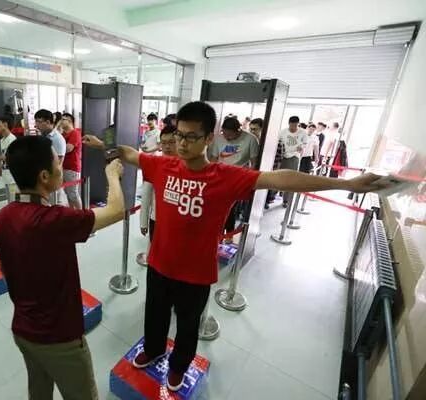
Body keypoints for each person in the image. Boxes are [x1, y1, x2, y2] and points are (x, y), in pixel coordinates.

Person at [83, 101, 386, 391]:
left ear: (209, 138)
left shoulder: (226, 176)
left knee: (188, 326)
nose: (183, 143)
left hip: (195, 274)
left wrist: (347, 184)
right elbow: (129, 153)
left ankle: (178, 365)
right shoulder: (164, 165)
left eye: (192, 137)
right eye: (179, 136)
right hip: (160, 264)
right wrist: (101, 145)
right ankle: (153, 349)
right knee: (154, 315)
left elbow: (281, 179)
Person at [0, 136, 125, 400]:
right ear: (44, 176)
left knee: (39, 391)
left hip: (24, 330)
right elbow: (116, 210)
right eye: (57, 162)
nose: (60, 166)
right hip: (60, 339)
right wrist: (112, 175)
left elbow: (4, 269)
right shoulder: (54, 220)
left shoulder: (4, 216)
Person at [139, 126, 178, 265]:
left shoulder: (187, 166)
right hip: (157, 219)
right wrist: (143, 222)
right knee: (155, 254)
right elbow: (146, 195)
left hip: (178, 222)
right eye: (164, 143)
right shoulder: (155, 164)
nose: (167, 146)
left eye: (172, 142)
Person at [278, 116, 308, 206]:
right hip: (282, 156)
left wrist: (301, 147)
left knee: (290, 179)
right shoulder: (283, 132)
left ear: (298, 124)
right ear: (289, 124)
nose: (293, 128)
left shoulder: (303, 132)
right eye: (291, 126)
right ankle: (272, 196)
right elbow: (278, 142)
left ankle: (286, 200)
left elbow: (305, 143)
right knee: (278, 176)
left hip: (294, 156)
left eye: (295, 126)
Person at [60, 112, 83, 209]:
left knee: (73, 194)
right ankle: (72, 212)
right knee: (67, 193)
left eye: (63, 119)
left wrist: (58, 147)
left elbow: (69, 148)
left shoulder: (75, 133)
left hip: (72, 168)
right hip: (64, 167)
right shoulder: (63, 134)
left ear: (69, 121)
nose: (61, 122)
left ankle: (81, 214)